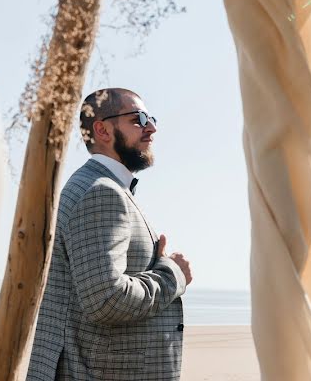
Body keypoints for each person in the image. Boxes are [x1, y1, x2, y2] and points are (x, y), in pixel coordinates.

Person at [27, 88, 192, 381]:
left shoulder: (103, 188)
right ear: (102, 129)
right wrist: (172, 274)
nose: (151, 127)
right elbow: (106, 300)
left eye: (150, 118)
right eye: (138, 119)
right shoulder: (101, 193)